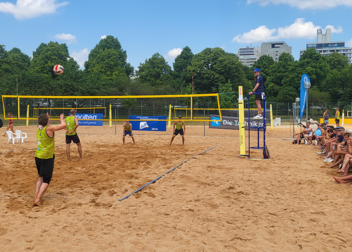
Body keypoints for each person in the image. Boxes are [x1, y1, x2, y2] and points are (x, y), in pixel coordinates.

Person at [34, 113, 66, 206]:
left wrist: (47, 117)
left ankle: (37, 197)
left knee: (40, 177)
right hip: (47, 157)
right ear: (48, 122)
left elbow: (42, 122)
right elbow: (63, 125)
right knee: (46, 179)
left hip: (38, 156)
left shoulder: (39, 128)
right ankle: (37, 199)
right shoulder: (49, 129)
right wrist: (61, 118)